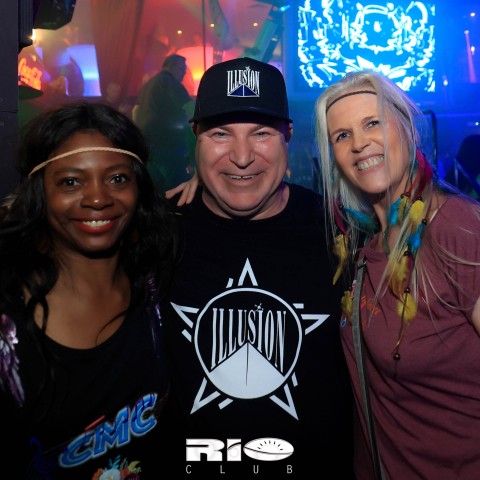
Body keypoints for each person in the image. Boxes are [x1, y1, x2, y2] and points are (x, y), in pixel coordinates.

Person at [160, 57, 354, 479]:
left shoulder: (341, 229)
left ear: (288, 136)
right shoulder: (157, 231)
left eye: (261, 133)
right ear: (196, 138)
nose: (242, 157)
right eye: (220, 134)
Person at [315, 70, 480, 479]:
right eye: (342, 135)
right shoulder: (365, 248)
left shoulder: (455, 229)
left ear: (407, 126)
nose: (359, 143)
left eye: (372, 122)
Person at [0, 102, 177, 478]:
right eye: (71, 182)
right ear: (40, 191)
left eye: (117, 179)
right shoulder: (9, 325)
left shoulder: (154, 286)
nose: (98, 198)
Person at [133, 53, 195, 191]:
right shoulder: (171, 83)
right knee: (177, 183)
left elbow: (135, 111)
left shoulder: (147, 85)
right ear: (171, 67)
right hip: (167, 142)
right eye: (182, 69)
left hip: (148, 143)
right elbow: (189, 107)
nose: (184, 73)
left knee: (154, 185)